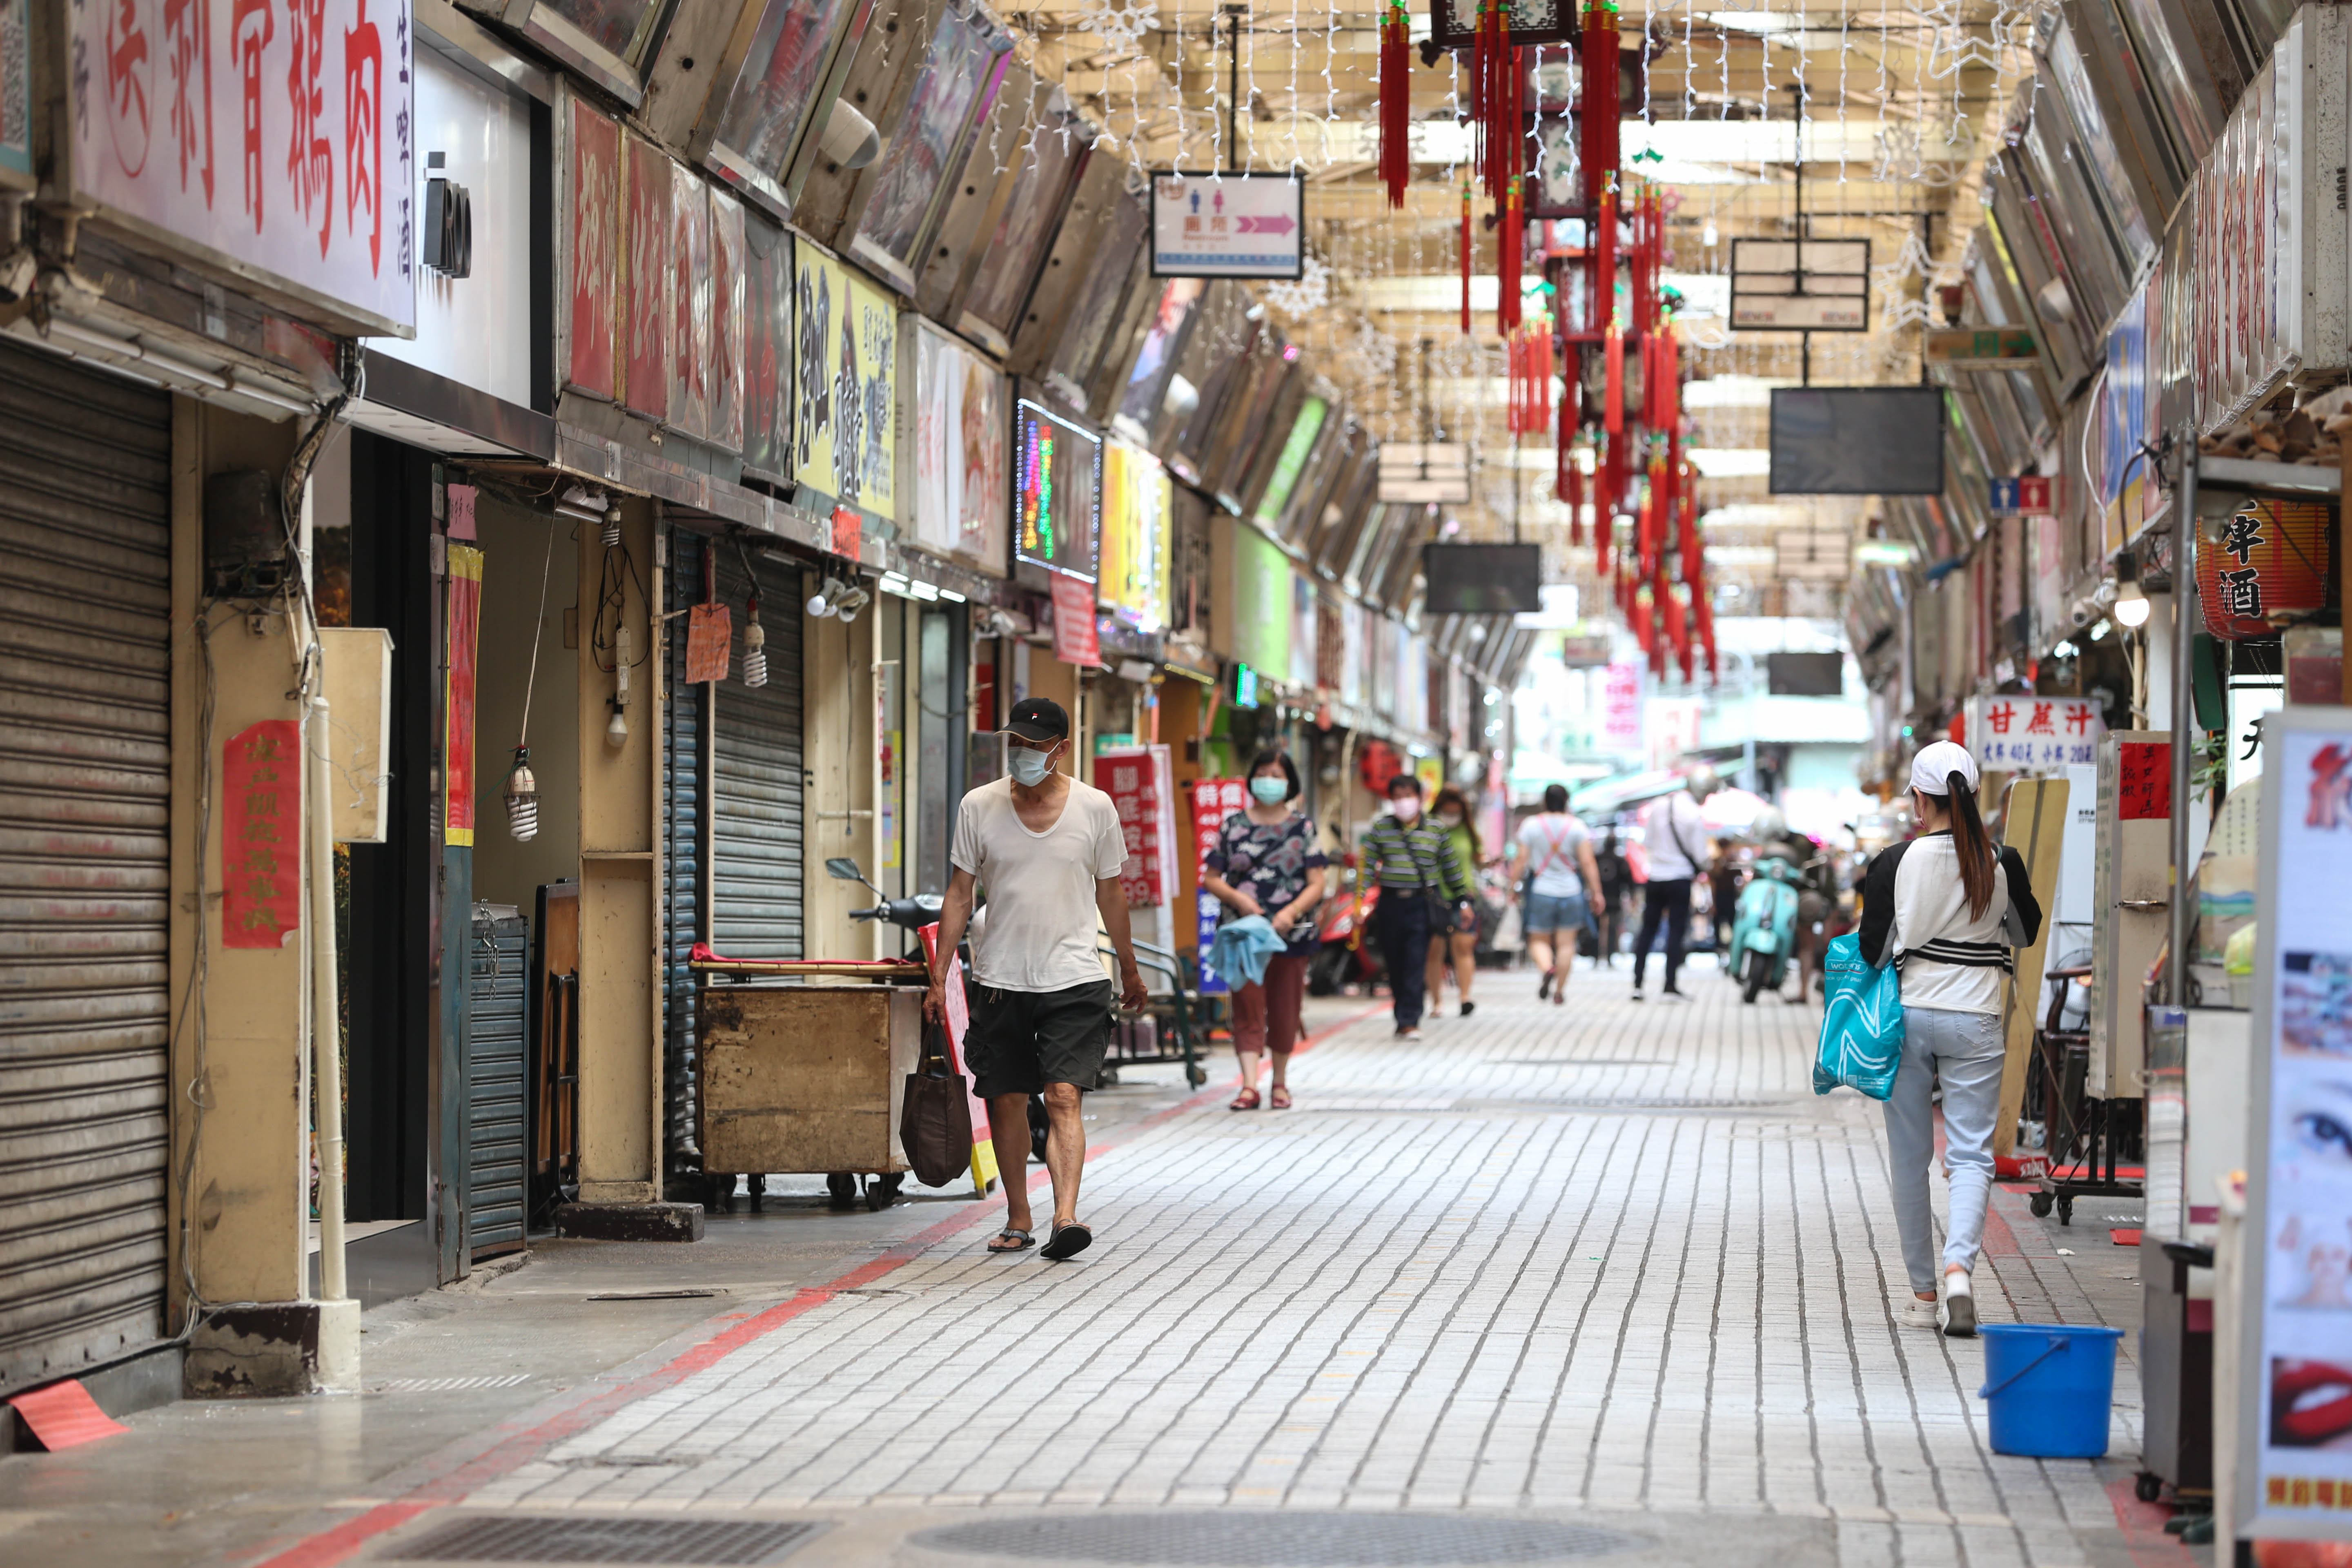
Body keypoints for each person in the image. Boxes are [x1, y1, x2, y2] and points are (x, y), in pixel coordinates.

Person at [928, 697, 1149, 1262]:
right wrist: (939, 976)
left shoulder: (1096, 808)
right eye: (1017, 744)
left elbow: (1111, 892)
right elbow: (960, 894)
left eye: (1035, 744)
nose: (1024, 754)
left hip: (1074, 980)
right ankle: (1019, 1216)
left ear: (1062, 747)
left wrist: (1128, 965)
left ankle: (1066, 1216)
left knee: (1063, 1095)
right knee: (1006, 1099)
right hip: (1002, 978)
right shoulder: (979, 806)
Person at [1859, 740, 2042, 1336]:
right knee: (1970, 1155)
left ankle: (1921, 1295)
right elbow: (2026, 932)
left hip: (1910, 1017)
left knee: (1911, 1162)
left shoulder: (1895, 862)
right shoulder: (2000, 858)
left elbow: (1873, 950)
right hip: (1978, 1019)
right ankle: (1960, 1268)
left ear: (1921, 799)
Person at [1200, 748, 1327, 1110]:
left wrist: (1290, 911)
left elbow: (1317, 882)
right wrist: (1241, 901)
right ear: (1252, 778)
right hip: (1244, 934)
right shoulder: (1233, 826)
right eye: (1263, 773)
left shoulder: (1303, 827)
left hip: (1292, 933)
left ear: (1289, 782)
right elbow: (1212, 878)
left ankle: (1281, 1083)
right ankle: (1250, 1085)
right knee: (1247, 1006)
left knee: (1286, 1008)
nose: (1269, 780)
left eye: (1277, 774)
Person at [1359, 773, 1474, 1038]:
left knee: (1415, 960)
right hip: (1389, 904)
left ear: (1420, 798)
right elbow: (1366, 866)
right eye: (1397, 797)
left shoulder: (1436, 830)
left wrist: (1463, 902)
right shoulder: (1381, 828)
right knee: (1394, 962)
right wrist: (1360, 902)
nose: (1403, 802)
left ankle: (1410, 1020)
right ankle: (1403, 1014)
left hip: (1421, 905)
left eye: (1408, 796)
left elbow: (1451, 870)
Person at [1510, 783, 1604, 1004]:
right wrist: (1597, 893)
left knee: (1538, 939)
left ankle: (1547, 968)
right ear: (1567, 802)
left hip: (1541, 890)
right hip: (1571, 891)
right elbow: (1588, 863)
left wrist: (1512, 887)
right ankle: (1560, 992)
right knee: (1566, 944)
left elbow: (1521, 859)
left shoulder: (1531, 825)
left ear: (1544, 802)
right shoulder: (1577, 827)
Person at [1632, 768, 1716, 1000]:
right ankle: (1670, 984)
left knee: (1647, 930)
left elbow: (1647, 842)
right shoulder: (1693, 814)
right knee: (1676, 932)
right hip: (1679, 879)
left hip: (1655, 877)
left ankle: (1638, 984)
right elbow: (1701, 856)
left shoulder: (1659, 806)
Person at [1424, 785, 1485, 1018]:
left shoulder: (1468, 830)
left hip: (1464, 895)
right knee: (1434, 950)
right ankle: (1437, 1002)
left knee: (1463, 947)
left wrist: (1486, 862)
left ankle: (1465, 997)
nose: (1451, 816)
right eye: (1447, 811)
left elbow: (1478, 858)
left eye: (1455, 812)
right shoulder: (1428, 828)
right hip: (1434, 895)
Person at [1593, 830, 1632, 966]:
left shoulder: (1597, 858)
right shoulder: (1620, 860)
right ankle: (1609, 957)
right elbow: (1629, 881)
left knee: (1597, 929)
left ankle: (1596, 957)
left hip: (1598, 898)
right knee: (1612, 929)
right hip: (1614, 899)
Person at [1707, 840, 1741, 958]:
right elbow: (1713, 883)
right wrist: (1713, 903)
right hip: (1719, 897)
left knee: (1733, 923)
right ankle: (1718, 949)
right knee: (1718, 924)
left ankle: (1735, 948)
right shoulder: (1717, 862)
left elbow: (1740, 878)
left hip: (1730, 896)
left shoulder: (1732, 862)